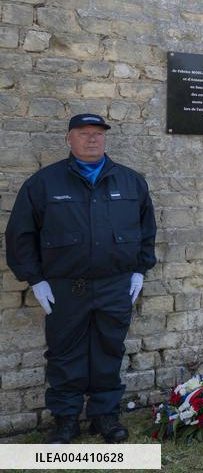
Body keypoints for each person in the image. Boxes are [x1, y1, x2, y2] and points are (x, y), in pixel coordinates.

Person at [5, 113, 156, 444]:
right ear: (69, 139)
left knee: (108, 349)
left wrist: (139, 270)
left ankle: (105, 416)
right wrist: (35, 278)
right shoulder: (44, 183)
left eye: (98, 134)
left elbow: (146, 230)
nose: (92, 139)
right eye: (84, 133)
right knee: (64, 353)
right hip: (64, 287)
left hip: (115, 284)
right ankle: (67, 419)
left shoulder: (131, 182)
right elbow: (20, 234)